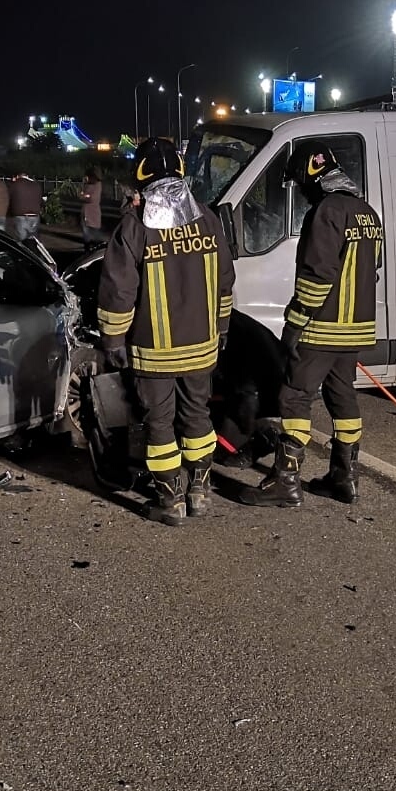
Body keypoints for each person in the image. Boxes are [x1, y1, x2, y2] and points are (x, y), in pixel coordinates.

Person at [96, 138, 235, 524]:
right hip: (203, 348)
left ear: (140, 177)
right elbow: (226, 282)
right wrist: (221, 328)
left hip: (153, 352)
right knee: (197, 417)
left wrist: (112, 340)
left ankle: (169, 500)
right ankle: (200, 490)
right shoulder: (208, 219)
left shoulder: (135, 228)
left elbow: (119, 292)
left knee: (159, 423)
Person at [246, 142, 384, 508]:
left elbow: (317, 275)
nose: (301, 191)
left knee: (295, 396)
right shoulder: (367, 212)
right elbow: (375, 269)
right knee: (343, 397)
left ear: (311, 174)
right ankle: (345, 478)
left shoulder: (325, 212)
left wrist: (294, 323)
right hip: (356, 328)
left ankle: (285, 481)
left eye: (299, 182)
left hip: (321, 327)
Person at [8, 169, 42, 241]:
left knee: (21, 240)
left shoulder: (15, 184)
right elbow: (40, 200)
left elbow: (9, 198)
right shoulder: (36, 185)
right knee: (33, 239)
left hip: (20, 215)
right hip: (35, 215)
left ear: (17, 176)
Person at [79, 169, 105, 245]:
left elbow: (92, 198)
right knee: (86, 234)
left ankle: (98, 247)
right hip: (85, 214)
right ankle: (87, 248)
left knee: (95, 232)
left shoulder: (97, 185)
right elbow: (80, 195)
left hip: (93, 213)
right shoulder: (86, 185)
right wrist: (85, 195)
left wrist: (85, 196)